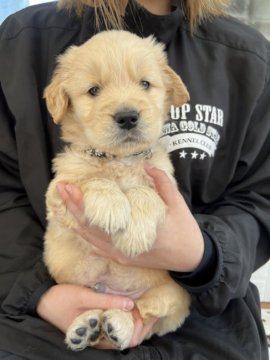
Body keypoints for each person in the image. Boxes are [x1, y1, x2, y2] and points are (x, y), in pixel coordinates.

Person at [0, 0, 270, 359]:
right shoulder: (22, 40)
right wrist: (35, 293)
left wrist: (205, 255)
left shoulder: (248, 57)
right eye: (94, 91)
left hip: (206, 325)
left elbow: (260, 201)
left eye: (145, 84)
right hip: (34, 327)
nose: (125, 109)